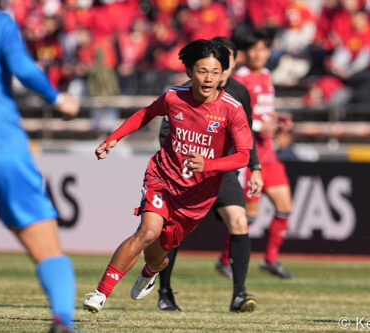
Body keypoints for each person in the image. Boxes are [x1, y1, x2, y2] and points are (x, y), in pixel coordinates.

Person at [82, 39, 254, 313]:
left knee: (157, 256)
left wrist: (208, 165)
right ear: (189, 72)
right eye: (201, 71)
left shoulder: (232, 110)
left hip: (196, 197)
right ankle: (100, 293)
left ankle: (150, 272)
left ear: (223, 74)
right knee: (147, 231)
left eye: (214, 71)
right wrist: (113, 139)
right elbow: (146, 114)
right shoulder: (174, 97)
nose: (208, 78)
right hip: (162, 178)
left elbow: (244, 155)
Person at [156, 37, 264, 312]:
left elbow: (246, 137)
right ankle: (164, 292)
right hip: (187, 173)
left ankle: (239, 294)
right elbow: (167, 132)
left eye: (222, 66)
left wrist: (254, 168)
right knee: (173, 233)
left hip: (222, 172)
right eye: (209, 67)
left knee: (239, 222)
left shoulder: (239, 93)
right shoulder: (182, 94)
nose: (216, 72)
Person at [0, 10, 80, 333]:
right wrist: (57, 99)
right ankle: (62, 320)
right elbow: (23, 69)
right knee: (47, 250)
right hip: (2, 148)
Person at [232, 29, 295, 279]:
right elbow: (235, 114)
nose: (259, 54)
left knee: (285, 207)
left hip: (269, 153)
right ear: (245, 53)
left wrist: (277, 118)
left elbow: (260, 110)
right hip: (250, 156)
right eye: (254, 49)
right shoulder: (240, 78)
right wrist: (259, 126)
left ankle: (270, 260)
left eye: (263, 49)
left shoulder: (267, 75)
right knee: (250, 216)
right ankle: (227, 259)